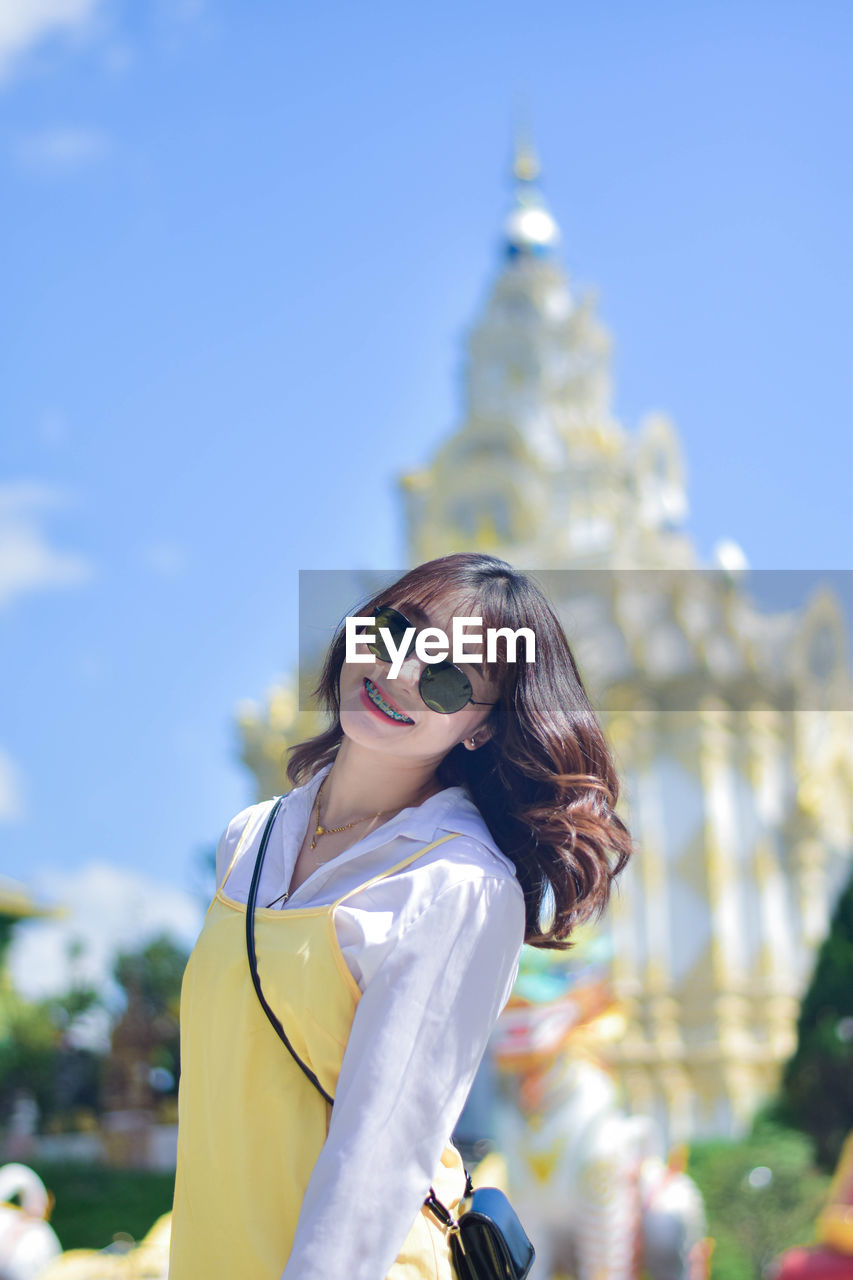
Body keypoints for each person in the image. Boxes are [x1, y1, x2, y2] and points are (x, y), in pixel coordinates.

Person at [167, 552, 634, 1280]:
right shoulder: (249, 840)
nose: (402, 673)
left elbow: (378, 1159)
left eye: (450, 678)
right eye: (395, 632)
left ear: (481, 728)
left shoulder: (458, 887)